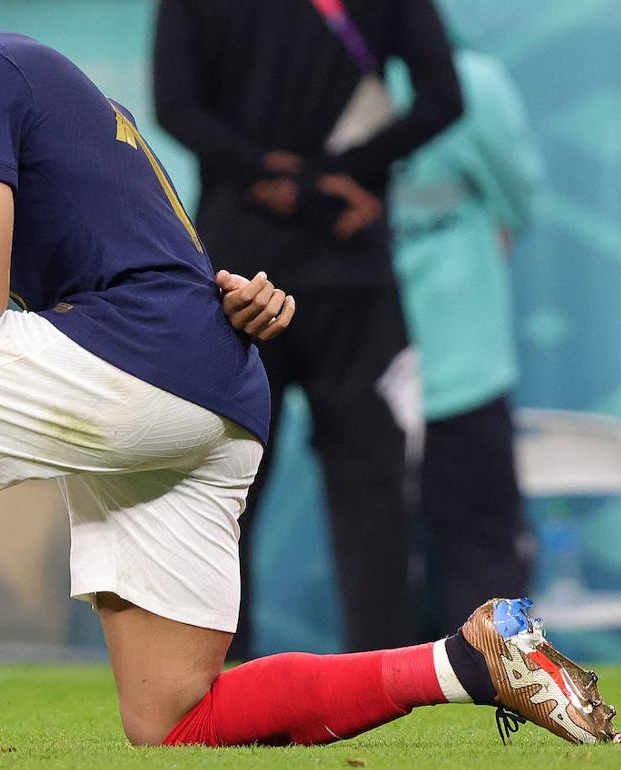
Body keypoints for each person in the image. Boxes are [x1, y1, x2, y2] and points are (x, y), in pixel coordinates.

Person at [0, 32, 619, 752]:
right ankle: (471, 660)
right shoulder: (30, 82)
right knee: (174, 718)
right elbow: (119, 249)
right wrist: (231, 296)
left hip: (135, 363)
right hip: (212, 389)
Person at [153, 0, 465, 658]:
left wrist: (267, 176)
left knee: (224, 490)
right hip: (351, 260)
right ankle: (381, 683)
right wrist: (340, 177)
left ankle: (217, 683)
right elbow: (443, 98)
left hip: (238, 278)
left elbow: (176, 109)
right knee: (370, 492)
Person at [388, 46, 543, 631]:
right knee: (482, 543)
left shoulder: (320, 79)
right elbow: (517, 197)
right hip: (455, 355)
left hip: (373, 366)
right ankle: (503, 673)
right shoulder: (474, 79)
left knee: (382, 556)